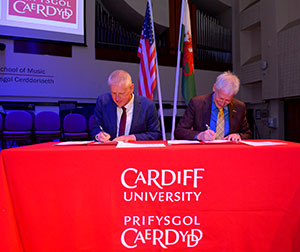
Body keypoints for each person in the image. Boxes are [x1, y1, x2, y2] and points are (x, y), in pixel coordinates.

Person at [174, 71, 251, 141]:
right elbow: (179, 131)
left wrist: (238, 136)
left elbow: (247, 134)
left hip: (229, 152)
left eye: (228, 100)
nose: (222, 103)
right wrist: (199, 135)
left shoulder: (239, 107)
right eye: (220, 98)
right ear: (214, 88)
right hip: (203, 151)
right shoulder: (197, 103)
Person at [91, 70, 161, 142]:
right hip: (109, 149)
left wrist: (133, 137)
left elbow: (155, 133)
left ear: (131, 88)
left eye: (121, 94)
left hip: (135, 151)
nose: (117, 98)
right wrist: (99, 136)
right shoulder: (103, 101)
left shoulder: (147, 106)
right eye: (114, 93)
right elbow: (96, 128)